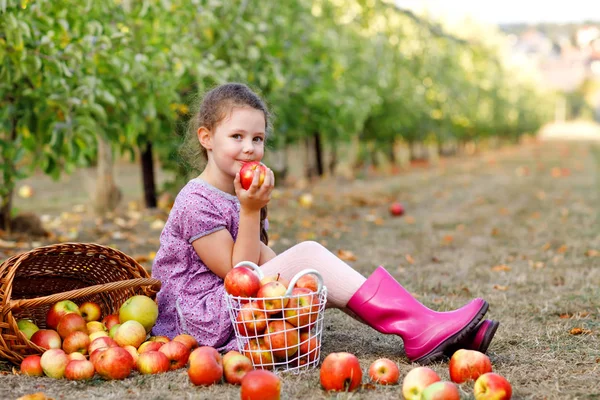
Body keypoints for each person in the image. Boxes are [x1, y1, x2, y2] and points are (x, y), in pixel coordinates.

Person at [151, 82, 498, 363]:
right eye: (237, 137)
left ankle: (426, 330)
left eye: (258, 139)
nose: (249, 148)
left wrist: (296, 277)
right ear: (206, 137)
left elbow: (261, 259)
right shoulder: (195, 201)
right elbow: (237, 274)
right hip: (198, 320)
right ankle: (420, 326)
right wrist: (252, 210)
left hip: (233, 305)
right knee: (311, 258)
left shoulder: (237, 193)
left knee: (315, 275)